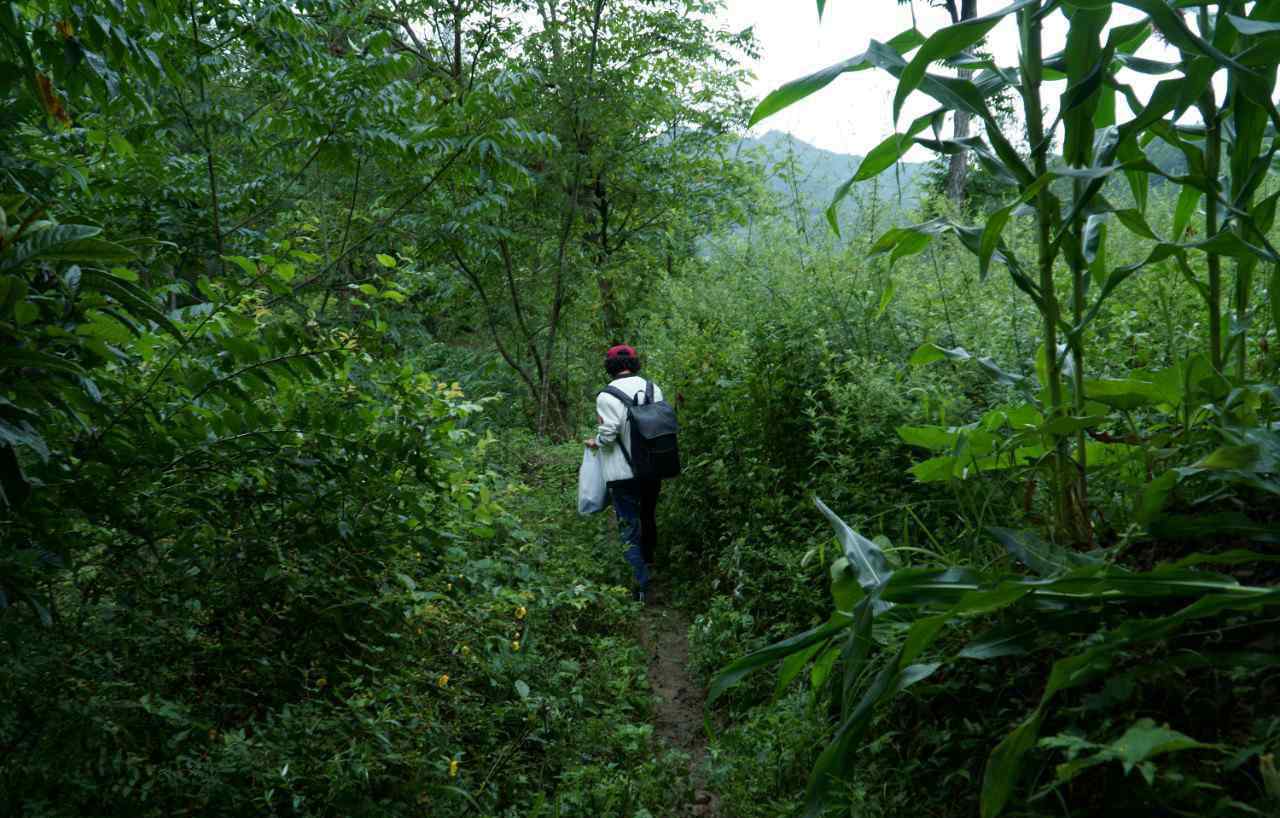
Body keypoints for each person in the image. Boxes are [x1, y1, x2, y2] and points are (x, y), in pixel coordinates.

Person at [584, 344, 662, 603]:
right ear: (635, 363)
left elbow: (609, 433)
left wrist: (596, 441)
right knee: (648, 516)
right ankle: (650, 563)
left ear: (609, 366)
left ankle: (640, 587)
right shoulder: (653, 388)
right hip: (653, 468)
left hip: (622, 472)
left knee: (629, 525)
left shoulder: (606, 397)